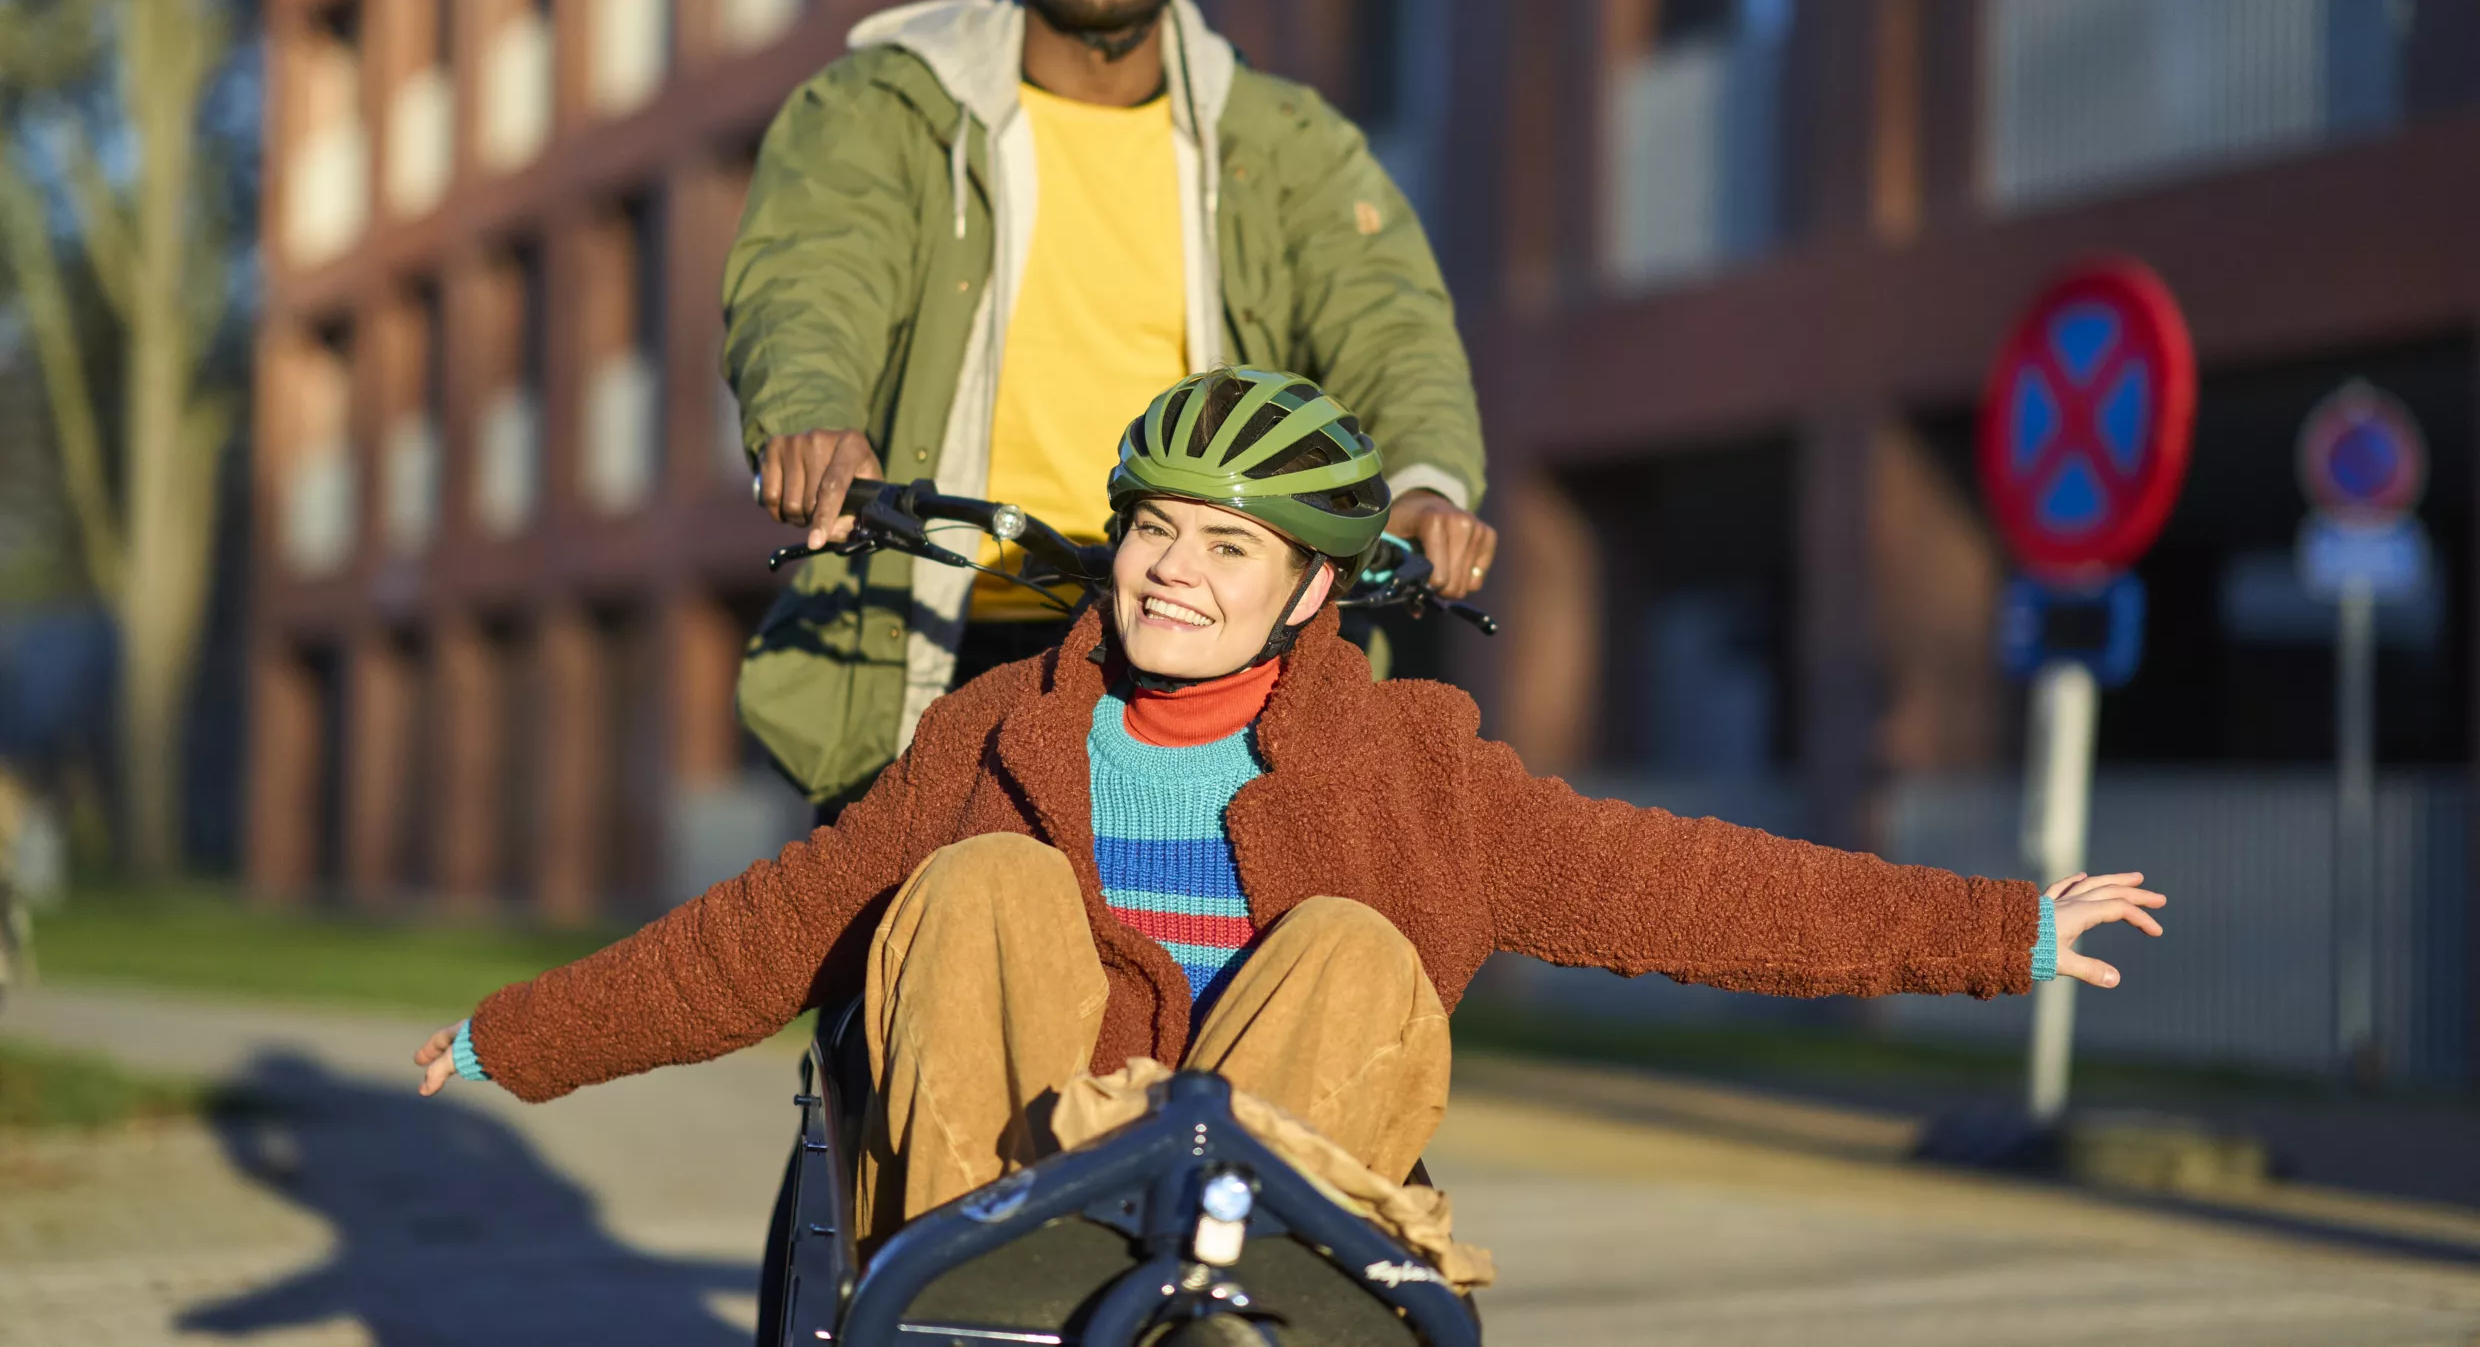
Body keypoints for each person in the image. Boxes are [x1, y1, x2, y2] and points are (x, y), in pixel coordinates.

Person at [416, 367, 2166, 1249]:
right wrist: (517, 1037)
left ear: (1312, 591)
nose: (1172, 574)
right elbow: (768, 931)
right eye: (1152, 532)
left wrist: (1995, 927)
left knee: (1346, 942)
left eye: (1228, 547)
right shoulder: (991, 729)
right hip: (1005, 1195)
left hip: (1273, 1215)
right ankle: (978, 1308)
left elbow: (1686, 882)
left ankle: (1233, 1305)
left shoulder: (1413, 764)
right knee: (978, 893)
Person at [726, 0, 1492, 812]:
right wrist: (811, 415)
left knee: (1267, 929)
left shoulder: (1286, 143)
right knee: (895, 939)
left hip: (1200, 612)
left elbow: (1387, 319)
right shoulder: (885, 107)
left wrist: (1424, 483)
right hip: (941, 609)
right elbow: (814, 271)